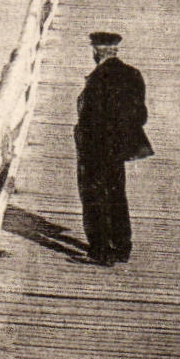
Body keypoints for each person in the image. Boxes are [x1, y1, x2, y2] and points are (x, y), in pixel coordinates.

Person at [73, 30, 151, 265]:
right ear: (115, 50)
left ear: (96, 51)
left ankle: (101, 250)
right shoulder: (133, 74)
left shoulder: (97, 79)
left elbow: (89, 117)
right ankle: (122, 246)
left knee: (94, 196)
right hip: (119, 147)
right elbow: (142, 114)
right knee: (117, 194)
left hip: (94, 147)